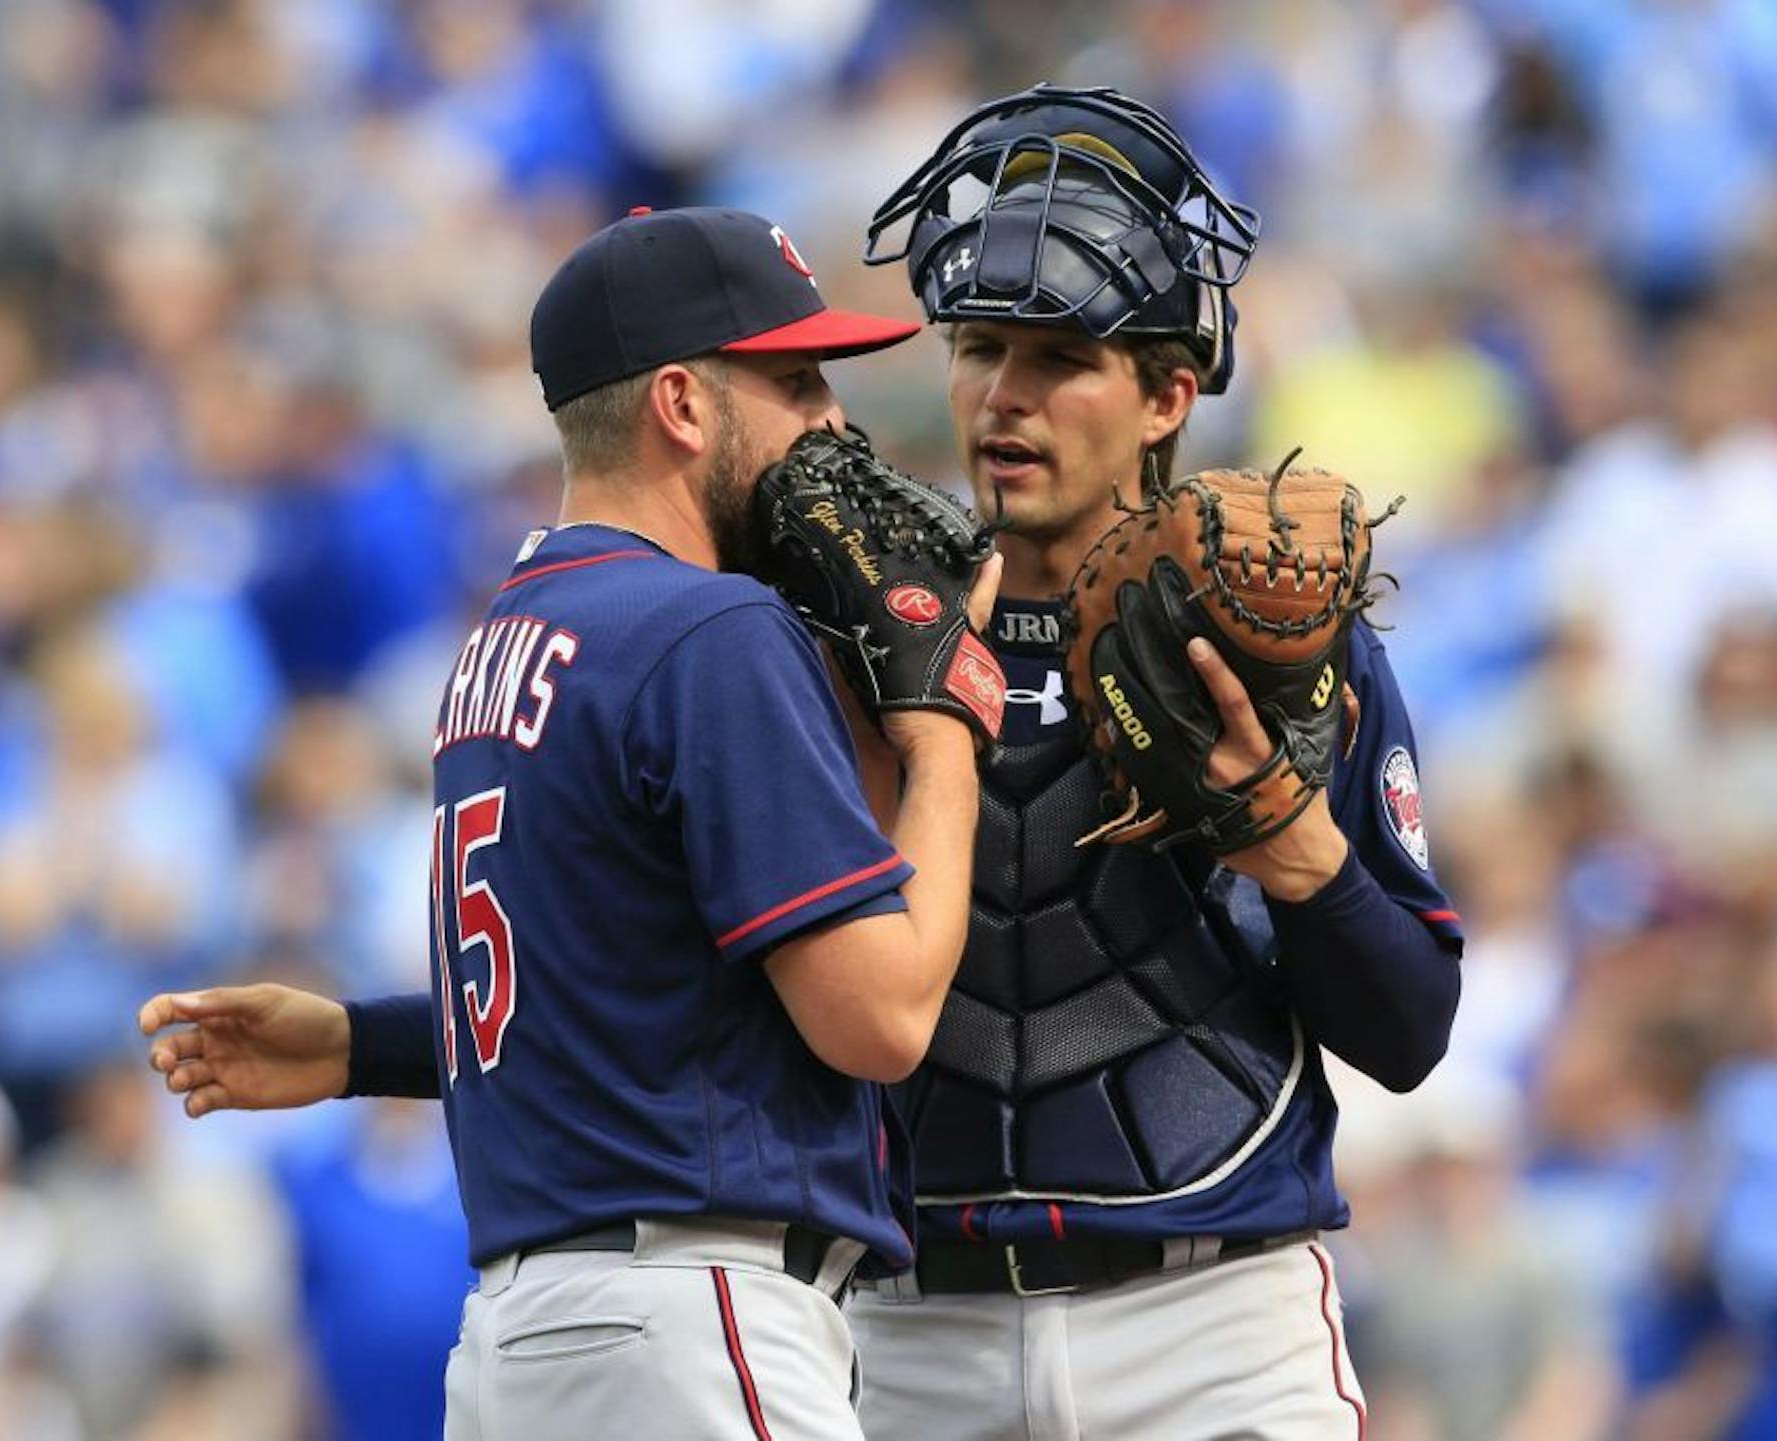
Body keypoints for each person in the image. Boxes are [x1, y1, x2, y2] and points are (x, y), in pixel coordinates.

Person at [145, 88, 1464, 1440]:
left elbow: (1411, 1031)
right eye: (977, 349)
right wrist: (372, 1042)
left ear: (1167, 394)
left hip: (1213, 1316)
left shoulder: (1272, 637)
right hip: (904, 1330)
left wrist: (1290, 843)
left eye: (1056, 358)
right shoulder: (828, 615)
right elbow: (691, 1006)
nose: (1001, 397)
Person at [149, 205, 998, 1441]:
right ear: (682, 404)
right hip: (695, 1325)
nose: (834, 425)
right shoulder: (711, 632)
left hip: (524, 1346)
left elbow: (612, 1001)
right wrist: (943, 732)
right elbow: (881, 1016)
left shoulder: (502, 642)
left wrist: (362, 1047)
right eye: (798, 381)